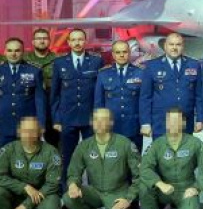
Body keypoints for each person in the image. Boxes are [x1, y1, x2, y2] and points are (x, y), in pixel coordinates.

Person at [63, 108, 140, 209]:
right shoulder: (84, 146)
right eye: (95, 120)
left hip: (117, 193)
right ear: (91, 123)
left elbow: (140, 175)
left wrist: (128, 198)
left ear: (111, 122)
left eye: (103, 119)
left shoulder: (124, 144)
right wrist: (73, 185)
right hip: (95, 191)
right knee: (68, 197)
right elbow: (73, 172)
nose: (99, 123)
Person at [139, 108, 203, 209]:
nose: (173, 124)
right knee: (144, 186)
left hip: (186, 189)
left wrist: (196, 187)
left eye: (177, 120)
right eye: (170, 121)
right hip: (165, 189)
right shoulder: (157, 144)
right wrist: (159, 184)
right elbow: (145, 168)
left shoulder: (195, 143)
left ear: (184, 123)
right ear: (166, 123)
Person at [51, 29, 102, 190]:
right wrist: (57, 119)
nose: (77, 43)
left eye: (80, 39)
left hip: (90, 118)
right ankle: (67, 190)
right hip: (67, 118)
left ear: (85, 41)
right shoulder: (59, 63)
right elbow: (55, 94)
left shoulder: (96, 61)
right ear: (69, 42)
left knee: (93, 156)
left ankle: (95, 191)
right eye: (73, 40)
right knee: (68, 157)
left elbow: (100, 91)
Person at [0, 37, 46, 151]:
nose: (13, 54)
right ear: (5, 52)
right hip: (2, 126)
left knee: (29, 158)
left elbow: (40, 100)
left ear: (23, 52)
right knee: (3, 158)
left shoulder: (34, 71)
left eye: (17, 50)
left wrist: (41, 124)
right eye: (10, 50)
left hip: (28, 127)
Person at [140, 32, 203, 139]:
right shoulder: (152, 66)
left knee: (185, 149)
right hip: (161, 123)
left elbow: (199, 96)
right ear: (165, 46)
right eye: (171, 44)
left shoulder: (194, 65)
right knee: (161, 149)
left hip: (185, 122)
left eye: (178, 44)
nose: (174, 48)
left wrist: (200, 119)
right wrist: (145, 123)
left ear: (183, 46)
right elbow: (145, 97)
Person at [94, 40, 145, 150]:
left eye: (124, 52)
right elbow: (99, 103)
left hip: (134, 126)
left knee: (134, 158)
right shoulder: (103, 74)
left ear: (129, 53)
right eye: (118, 52)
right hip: (111, 126)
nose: (121, 55)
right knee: (112, 158)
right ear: (113, 54)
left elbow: (144, 101)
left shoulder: (141, 73)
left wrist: (145, 123)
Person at [23, 28, 58, 147]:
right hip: (30, 106)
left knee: (54, 143)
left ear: (49, 41)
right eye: (38, 38)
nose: (42, 41)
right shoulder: (24, 60)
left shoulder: (58, 60)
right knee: (30, 143)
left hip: (51, 106)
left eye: (45, 38)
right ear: (33, 42)